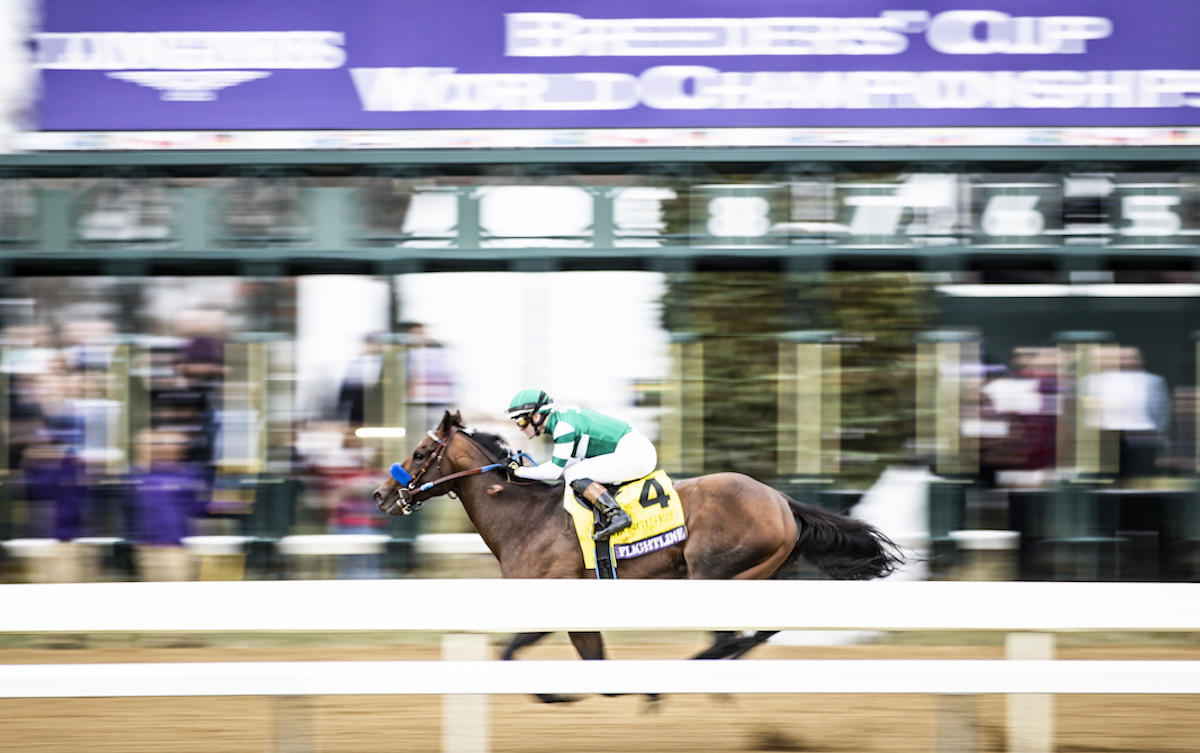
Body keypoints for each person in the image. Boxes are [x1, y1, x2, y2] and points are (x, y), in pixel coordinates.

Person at [505, 389, 656, 540]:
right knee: (571, 470)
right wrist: (524, 470)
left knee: (573, 473)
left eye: (521, 421)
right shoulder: (563, 420)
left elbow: (553, 472)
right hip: (634, 450)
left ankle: (617, 515)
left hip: (637, 455)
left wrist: (518, 471)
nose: (520, 428)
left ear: (536, 416)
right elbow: (560, 465)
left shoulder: (563, 428)